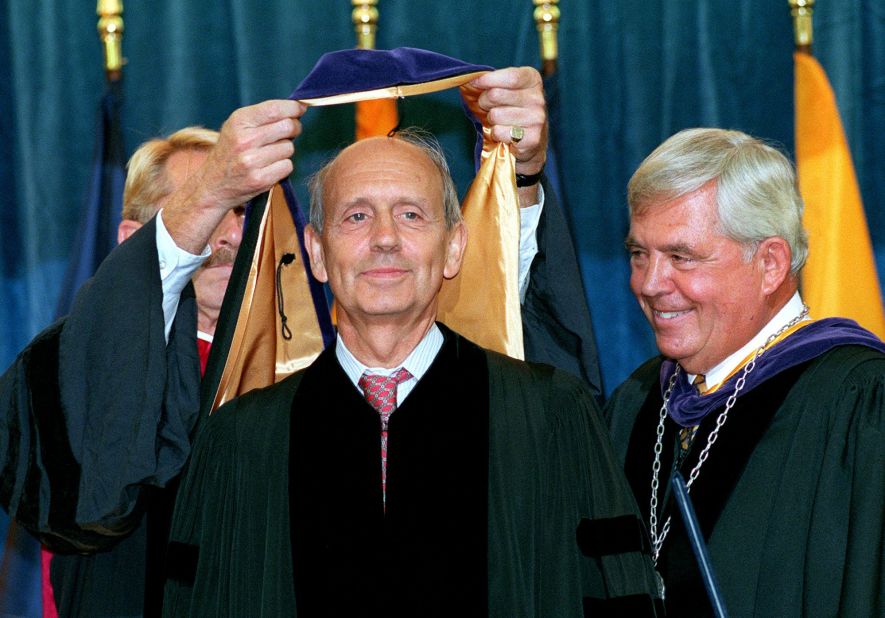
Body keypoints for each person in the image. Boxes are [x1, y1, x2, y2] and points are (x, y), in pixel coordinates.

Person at [1, 67, 605, 616]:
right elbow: (86, 482)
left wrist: (517, 179)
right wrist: (206, 193)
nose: (228, 235)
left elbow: (492, 342)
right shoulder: (134, 380)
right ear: (316, 251)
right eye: (208, 211)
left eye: (244, 210)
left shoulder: (315, 358)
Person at [162, 126, 660, 615]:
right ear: (316, 252)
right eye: (356, 216)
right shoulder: (241, 441)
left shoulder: (551, 417)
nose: (384, 238)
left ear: (454, 247)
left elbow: (614, 596)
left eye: (411, 215)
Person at [605, 127, 885, 616]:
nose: (648, 284)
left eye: (680, 257)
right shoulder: (640, 398)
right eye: (638, 254)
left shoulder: (858, 404)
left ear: (771, 263)